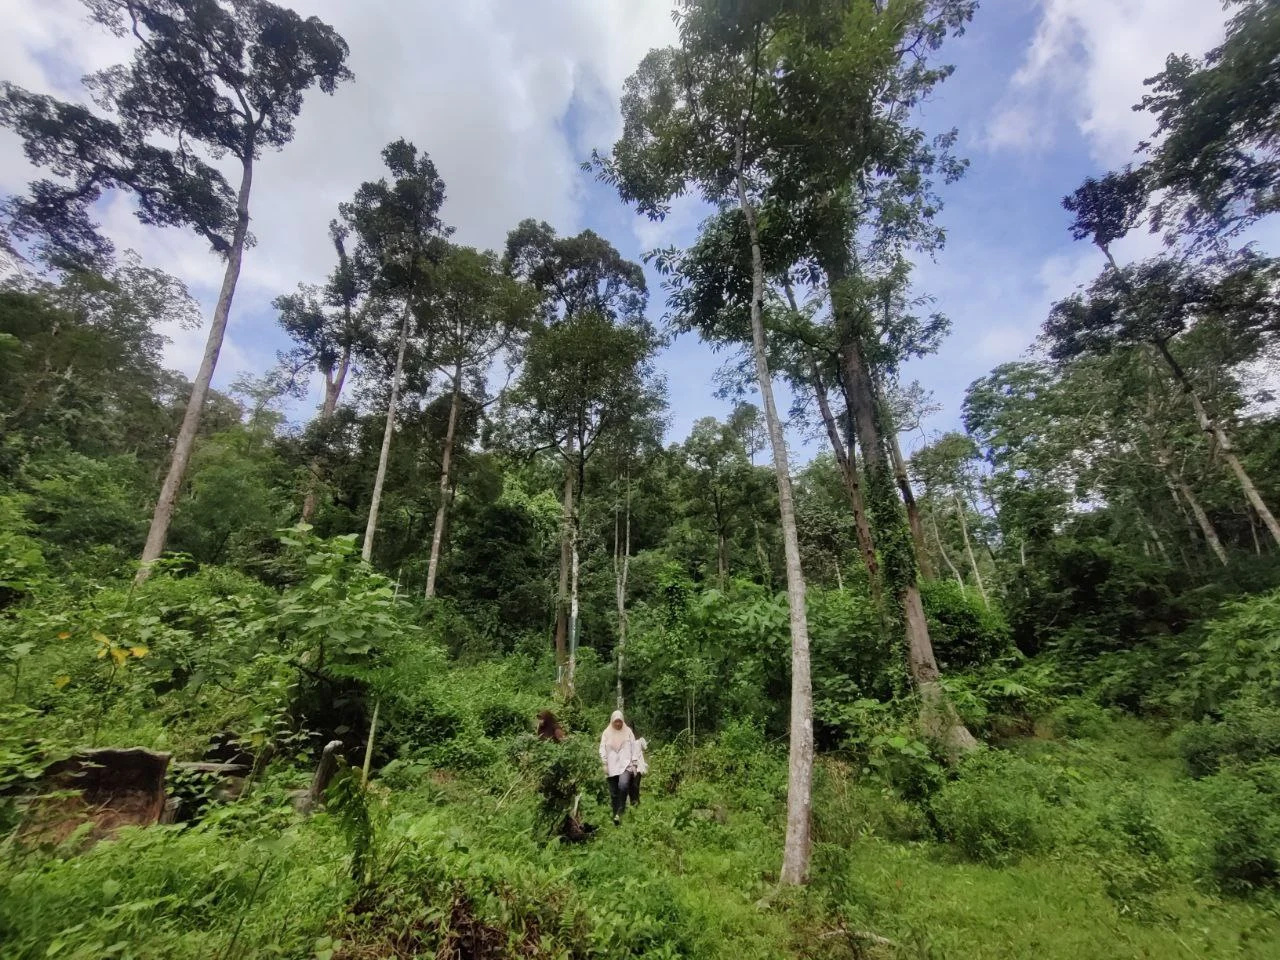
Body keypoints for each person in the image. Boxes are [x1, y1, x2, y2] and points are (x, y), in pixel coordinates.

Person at [599, 709, 636, 825]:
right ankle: (616, 816)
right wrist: (604, 763)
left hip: (625, 764)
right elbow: (602, 748)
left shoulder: (628, 731)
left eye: (620, 721)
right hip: (611, 766)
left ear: (623, 721)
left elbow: (634, 747)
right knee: (613, 793)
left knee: (623, 785)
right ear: (612, 721)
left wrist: (634, 763)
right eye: (616, 722)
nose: (618, 724)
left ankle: (621, 810)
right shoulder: (606, 733)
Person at [628, 727, 648, 807]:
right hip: (629, 766)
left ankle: (637, 802)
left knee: (635, 785)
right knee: (630, 785)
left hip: (638, 766)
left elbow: (645, 747)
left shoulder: (639, 740)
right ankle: (632, 802)